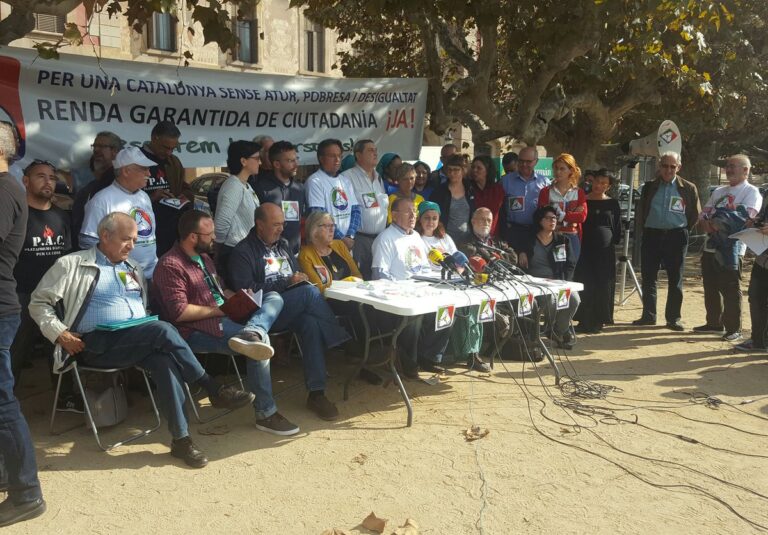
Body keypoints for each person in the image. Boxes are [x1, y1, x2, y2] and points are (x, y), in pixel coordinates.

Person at [153, 210, 300, 436]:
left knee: (273, 297)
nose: (215, 238)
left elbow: (220, 291)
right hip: (197, 329)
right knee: (260, 344)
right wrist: (219, 310)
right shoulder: (170, 265)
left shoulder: (204, 258)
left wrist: (242, 297)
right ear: (193, 236)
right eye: (209, 234)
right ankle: (266, 413)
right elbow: (179, 313)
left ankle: (252, 330)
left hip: (226, 316)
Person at [228, 203, 350, 421]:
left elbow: (294, 273)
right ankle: (342, 340)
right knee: (308, 294)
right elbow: (245, 290)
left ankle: (316, 393)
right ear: (259, 224)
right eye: (276, 224)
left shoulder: (283, 245)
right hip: (262, 314)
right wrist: (286, 283)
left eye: (283, 224)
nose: (281, 229)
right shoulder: (243, 251)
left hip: (289, 305)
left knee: (310, 323)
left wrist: (298, 278)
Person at [0, 121, 46, 527]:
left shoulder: (3, 189)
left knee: (2, 402)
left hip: (0, 312)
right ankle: (7, 473)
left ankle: (26, 493)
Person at [372, 198, 451, 377]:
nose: (413, 215)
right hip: (398, 297)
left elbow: (424, 268)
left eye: (415, 211)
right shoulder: (385, 238)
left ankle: (428, 357)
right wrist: (402, 291)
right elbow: (379, 274)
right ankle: (408, 362)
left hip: (421, 290)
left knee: (447, 309)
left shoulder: (415, 236)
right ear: (394, 215)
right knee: (414, 316)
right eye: (408, 212)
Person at [10, 161, 72, 389]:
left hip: (56, 296)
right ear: (25, 181)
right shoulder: (16, 215)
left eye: (52, 178)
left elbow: (68, 258)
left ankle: (65, 397)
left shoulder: (63, 217)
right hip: (22, 294)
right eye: (41, 176)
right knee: (15, 351)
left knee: (58, 350)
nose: (48, 182)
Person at [415, 202, 489, 372]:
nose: (431, 222)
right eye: (427, 218)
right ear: (420, 219)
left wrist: (459, 269)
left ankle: (472, 353)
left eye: (434, 218)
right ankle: (435, 356)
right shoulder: (416, 238)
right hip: (430, 284)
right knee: (454, 310)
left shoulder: (445, 237)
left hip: (454, 281)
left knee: (473, 306)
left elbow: (460, 261)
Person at [694, 154, 762, 341]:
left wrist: (717, 222)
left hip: (732, 248)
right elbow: (703, 215)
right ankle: (714, 323)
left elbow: (746, 218)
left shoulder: (751, 192)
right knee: (711, 286)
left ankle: (734, 329)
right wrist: (712, 224)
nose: (729, 169)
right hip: (710, 246)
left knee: (730, 288)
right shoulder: (718, 191)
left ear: (746, 170)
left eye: (733, 166)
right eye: (727, 166)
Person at [633, 151, 701, 330]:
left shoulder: (688, 188)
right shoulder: (649, 187)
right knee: (648, 277)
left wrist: (683, 229)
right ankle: (648, 315)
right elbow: (641, 212)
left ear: (679, 167)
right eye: (665, 165)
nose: (668, 170)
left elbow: (695, 214)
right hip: (652, 235)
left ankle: (673, 319)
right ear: (659, 166)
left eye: (673, 166)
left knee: (675, 279)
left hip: (676, 236)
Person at [80, 146, 159, 278]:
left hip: (151, 275)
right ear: (126, 171)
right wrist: (113, 270)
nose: (149, 174)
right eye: (143, 169)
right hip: (120, 277)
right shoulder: (101, 200)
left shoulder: (144, 196)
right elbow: (87, 241)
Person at [519, 206, 580, 349]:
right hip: (534, 282)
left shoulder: (562, 240)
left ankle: (558, 331)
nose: (552, 220)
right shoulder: (528, 239)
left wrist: (566, 282)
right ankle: (549, 329)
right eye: (548, 218)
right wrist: (521, 251)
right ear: (540, 221)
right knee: (551, 301)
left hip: (558, 281)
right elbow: (517, 256)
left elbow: (570, 264)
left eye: (554, 218)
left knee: (574, 300)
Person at [573, 169, 622, 333]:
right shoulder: (582, 200)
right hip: (584, 249)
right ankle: (583, 319)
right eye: (597, 181)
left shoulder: (612, 203)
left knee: (602, 283)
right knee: (585, 281)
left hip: (604, 252)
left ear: (608, 186)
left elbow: (617, 229)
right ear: (591, 181)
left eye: (603, 183)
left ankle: (599, 319)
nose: (598, 186)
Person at [140, 121, 194, 256]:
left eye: (172, 148)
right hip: (143, 231)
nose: (169, 152)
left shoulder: (173, 161)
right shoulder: (136, 159)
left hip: (171, 231)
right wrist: (152, 197)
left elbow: (183, 186)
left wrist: (184, 197)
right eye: (165, 147)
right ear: (154, 138)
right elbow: (124, 196)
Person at [214, 140, 261, 280]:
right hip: (234, 250)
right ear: (243, 161)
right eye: (257, 159)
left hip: (246, 249)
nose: (260, 163)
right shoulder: (233, 186)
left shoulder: (246, 185)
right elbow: (222, 221)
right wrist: (219, 250)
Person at [341, 139, 388, 279]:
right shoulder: (347, 177)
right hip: (359, 240)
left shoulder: (379, 177)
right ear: (358, 155)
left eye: (376, 150)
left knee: (378, 279)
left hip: (380, 239)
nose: (375, 153)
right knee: (361, 279)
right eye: (370, 150)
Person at [306, 138, 361, 252]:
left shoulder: (345, 181)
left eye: (339, 156)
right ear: (321, 158)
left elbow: (355, 211)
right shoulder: (315, 181)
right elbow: (319, 217)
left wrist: (350, 236)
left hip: (347, 244)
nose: (337, 160)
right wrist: (342, 239)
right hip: (326, 246)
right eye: (332, 156)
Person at [253, 141, 306, 256]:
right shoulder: (262, 188)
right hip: (268, 254)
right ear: (277, 164)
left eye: (296, 159)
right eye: (290, 161)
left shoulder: (300, 188)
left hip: (295, 253)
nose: (296, 164)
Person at [70, 132, 120, 248]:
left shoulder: (119, 181)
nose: (96, 150)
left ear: (115, 151)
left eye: (102, 146)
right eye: (95, 146)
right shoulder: (88, 184)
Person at [537, 153, 587, 262]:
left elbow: (581, 217)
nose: (557, 172)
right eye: (555, 168)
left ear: (571, 170)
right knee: (558, 269)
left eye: (562, 169)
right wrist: (572, 214)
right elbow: (543, 216)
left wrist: (558, 214)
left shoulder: (579, 192)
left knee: (571, 270)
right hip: (554, 236)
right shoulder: (546, 192)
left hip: (573, 236)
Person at [299, 210, 363, 293]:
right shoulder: (306, 255)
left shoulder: (339, 245)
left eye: (333, 225)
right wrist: (350, 282)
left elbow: (357, 275)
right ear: (314, 230)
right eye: (326, 226)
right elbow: (320, 289)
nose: (332, 230)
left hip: (354, 293)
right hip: (330, 300)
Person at [501, 146, 550, 252]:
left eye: (528, 162)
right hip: (513, 232)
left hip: (536, 232)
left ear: (536, 161)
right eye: (521, 161)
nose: (524, 165)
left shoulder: (545, 183)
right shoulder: (505, 181)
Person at [736, 193, 768, 352]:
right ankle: (759, 341)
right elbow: (763, 217)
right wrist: (756, 223)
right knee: (755, 298)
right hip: (763, 257)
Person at [430, 154, 476, 241]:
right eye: (449, 170)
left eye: (456, 170)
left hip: (468, 238)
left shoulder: (471, 189)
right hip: (445, 238)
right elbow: (432, 213)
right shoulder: (439, 191)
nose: (452, 173)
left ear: (463, 171)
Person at [470, 155, 505, 236]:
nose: (475, 170)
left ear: (487, 171)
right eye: (473, 167)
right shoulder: (468, 189)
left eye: (479, 168)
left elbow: (502, 214)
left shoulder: (497, 190)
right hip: (473, 236)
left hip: (493, 235)